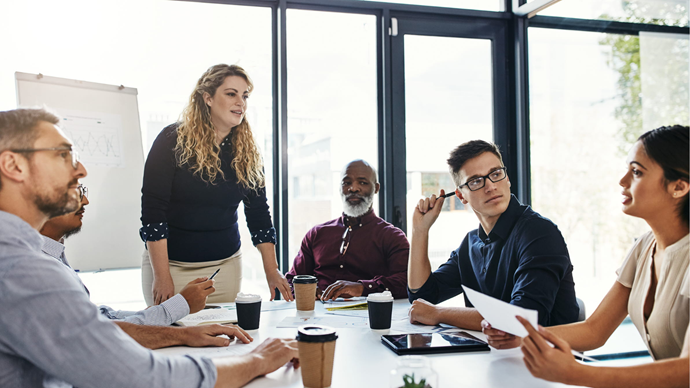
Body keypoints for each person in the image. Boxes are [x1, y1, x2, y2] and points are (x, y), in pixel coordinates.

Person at [0, 108, 298, 387]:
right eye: (63, 155)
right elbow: (143, 377)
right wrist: (257, 359)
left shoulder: (33, 257)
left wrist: (181, 332)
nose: (81, 170)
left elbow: (102, 322)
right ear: (13, 165)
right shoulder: (22, 270)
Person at [484, 125, 689, 388]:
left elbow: (687, 370)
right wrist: (525, 335)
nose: (623, 180)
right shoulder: (645, 246)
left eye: (636, 172)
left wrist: (578, 374)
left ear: (679, 187)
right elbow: (595, 330)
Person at [140, 64, 292, 306]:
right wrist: (162, 276)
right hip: (170, 268)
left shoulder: (248, 153)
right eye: (231, 94)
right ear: (208, 98)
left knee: (224, 339)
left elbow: (259, 215)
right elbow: (153, 213)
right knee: (170, 336)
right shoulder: (171, 140)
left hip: (225, 269)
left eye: (245, 96)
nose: (240, 102)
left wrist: (272, 272)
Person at [40, 184, 239, 350]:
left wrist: (158, 313)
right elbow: (98, 334)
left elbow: (97, 317)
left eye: (83, 190)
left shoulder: (53, 253)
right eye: (76, 190)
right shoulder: (40, 268)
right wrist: (181, 313)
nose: (85, 201)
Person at [408, 140, 579, 331]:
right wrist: (419, 231)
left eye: (496, 174)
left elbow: (524, 319)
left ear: (507, 179)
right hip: (491, 354)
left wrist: (438, 314)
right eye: (476, 181)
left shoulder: (540, 233)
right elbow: (421, 298)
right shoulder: (471, 243)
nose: (490, 186)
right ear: (461, 196)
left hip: (546, 357)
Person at [286, 159, 409, 300]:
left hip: (368, 316)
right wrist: (306, 291)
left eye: (362, 182)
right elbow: (292, 279)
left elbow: (407, 282)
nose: (354, 188)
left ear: (376, 188)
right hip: (317, 314)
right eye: (347, 183)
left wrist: (363, 287)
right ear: (339, 188)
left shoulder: (392, 237)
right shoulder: (316, 234)